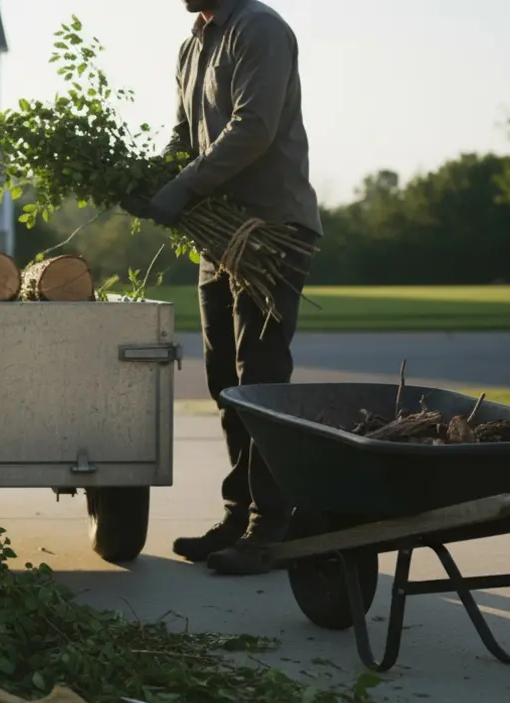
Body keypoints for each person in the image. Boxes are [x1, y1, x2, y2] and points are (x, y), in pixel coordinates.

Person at [124, 0, 323, 576]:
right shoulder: (194, 44)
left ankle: (271, 527)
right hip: (219, 236)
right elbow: (185, 134)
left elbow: (254, 126)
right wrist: (151, 178)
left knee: (259, 379)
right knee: (225, 381)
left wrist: (184, 187)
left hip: (270, 229)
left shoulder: (260, 29)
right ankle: (240, 515)